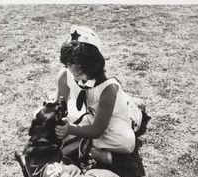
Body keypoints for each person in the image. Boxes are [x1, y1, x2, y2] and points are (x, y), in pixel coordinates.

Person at [54, 25, 144, 166]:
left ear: (91, 64)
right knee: (42, 117)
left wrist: (69, 129)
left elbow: (98, 129)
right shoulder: (66, 75)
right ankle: (88, 146)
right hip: (87, 115)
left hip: (111, 120)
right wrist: (57, 122)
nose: (70, 69)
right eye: (68, 63)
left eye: (76, 65)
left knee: (126, 141)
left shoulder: (108, 88)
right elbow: (58, 108)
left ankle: (135, 107)